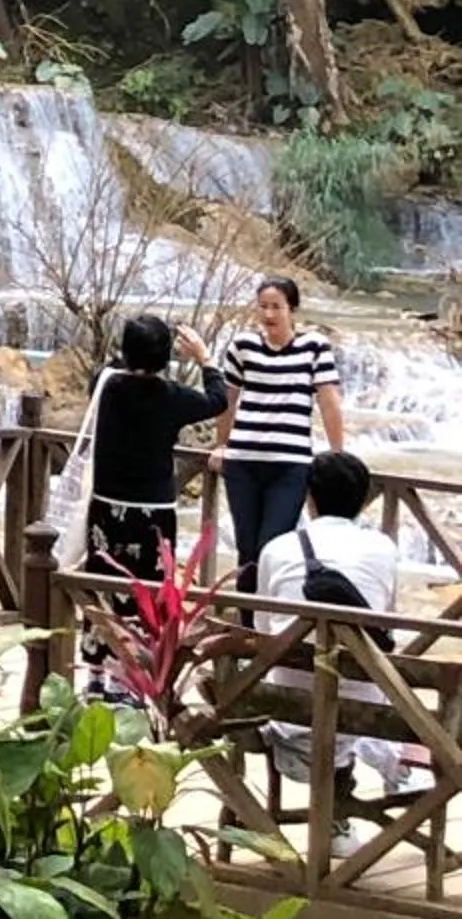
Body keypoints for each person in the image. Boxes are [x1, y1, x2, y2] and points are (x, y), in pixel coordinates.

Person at [253, 450, 418, 815]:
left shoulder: (276, 549)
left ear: (308, 497)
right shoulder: (383, 549)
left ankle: (334, 819)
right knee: (364, 675)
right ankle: (347, 812)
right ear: (363, 499)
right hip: (366, 718)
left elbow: (262, 630)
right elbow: (386, 625)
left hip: (290, 712)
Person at [78, 312, 229, 698]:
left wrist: (129, 355)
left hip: (107, 506)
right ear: (165, 358)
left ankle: (95, 675)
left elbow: (111, 368)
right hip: (153, 512)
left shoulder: (106, 385)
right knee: (146, 592)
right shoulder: (172, 398)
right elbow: (217, 399)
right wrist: (204, 358)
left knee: (103, 586)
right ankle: (130, 679)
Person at [216, 276, 344, 590]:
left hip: (290, 464)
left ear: (292, 309)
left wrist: (337, 453)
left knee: (273, 546)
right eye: (263, 307)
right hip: (243, 460)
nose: (269, 314)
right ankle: (247, 616)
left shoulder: (314, 346)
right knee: (247, 549)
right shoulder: (243, 346)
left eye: (276, 307)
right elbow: (227, 400)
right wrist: (221, 444)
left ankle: (272, 615)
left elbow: (328, 402)